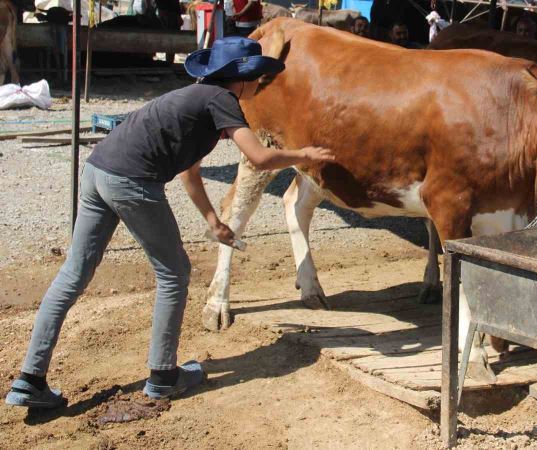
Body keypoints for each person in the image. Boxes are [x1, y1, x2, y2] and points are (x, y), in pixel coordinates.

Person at [4, 36, 334, 409]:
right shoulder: (222, 100)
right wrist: (302, 154)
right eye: (257, 77)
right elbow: (258, 158)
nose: (260, 84)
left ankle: (30, 379)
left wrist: (214, 220)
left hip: (98, 170)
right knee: (174, 274)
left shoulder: (195, 101)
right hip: (131, 180)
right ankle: (163, 376)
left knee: (73, 274)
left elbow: (189, 174)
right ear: (240, 79)